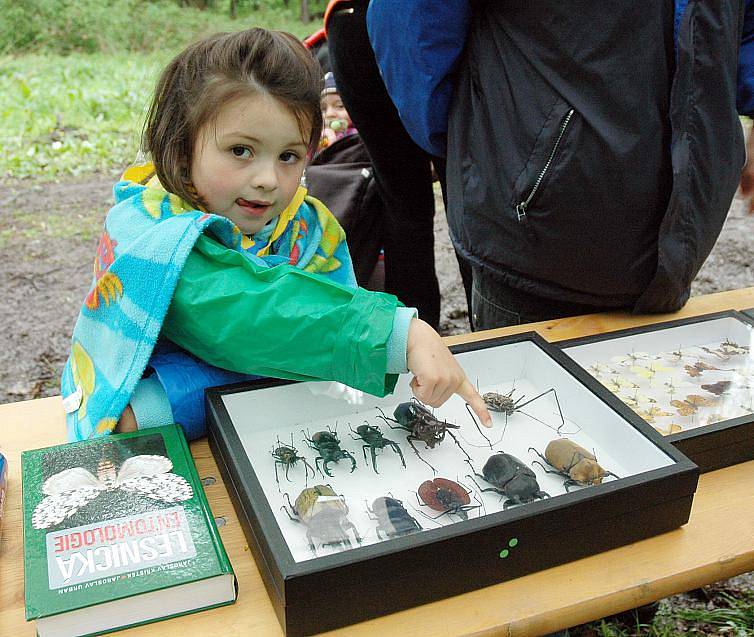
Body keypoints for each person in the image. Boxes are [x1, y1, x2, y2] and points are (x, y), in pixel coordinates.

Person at [59, 28, 491, 442]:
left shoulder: (309, 226)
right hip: (166, 382)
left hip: (268, 381)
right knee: (138, 419)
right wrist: (398, 335)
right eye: (240, 151)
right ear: (180, 148)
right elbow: (232, 312)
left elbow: (326, 314)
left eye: (288, 156)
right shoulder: (146, 226)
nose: (268, 179)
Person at [366, 0, 754, 330]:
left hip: (678, 241)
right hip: (535, 247)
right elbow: (412, 29)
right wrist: (483, 147)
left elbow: (738, 28)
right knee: (527, 414)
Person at [325, 0, 444, 330]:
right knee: (467, 195)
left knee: (402, 202)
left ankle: (414, 343)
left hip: (352, 19)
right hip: (433, 19)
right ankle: (494, 339)